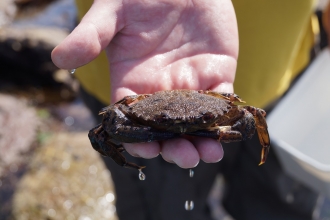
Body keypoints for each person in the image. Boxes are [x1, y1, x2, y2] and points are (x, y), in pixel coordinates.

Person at [52, 0, 329, 219]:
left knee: (279, 207)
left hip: (288, 73)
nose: (182, 126)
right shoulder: (130, 108)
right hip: (131, 64)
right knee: (163, 212)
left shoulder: (231, 110)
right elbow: (105, 128)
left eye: (202, 119)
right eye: (165, 121)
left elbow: (250, 118)